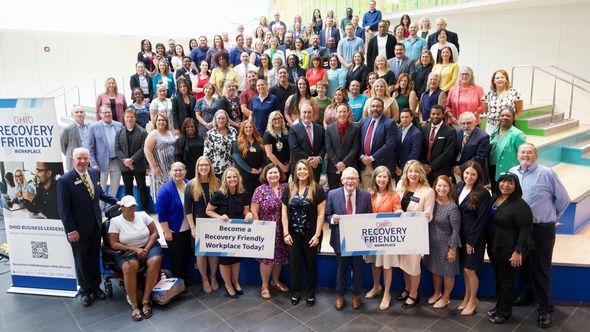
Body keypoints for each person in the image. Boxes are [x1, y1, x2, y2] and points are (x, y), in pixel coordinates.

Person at [510, 143, 570, 328]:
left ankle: (545, 309)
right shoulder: (513, 172)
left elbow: (563, 199)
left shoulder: (547, 173)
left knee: (541, 268)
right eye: (522, 152)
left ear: (536, 155)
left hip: (541, 228)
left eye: (529, 152)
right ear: (518, 155)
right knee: (524, 265)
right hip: (520, 229)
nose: (525, 155)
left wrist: (552, 217)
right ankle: (528, 295)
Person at [57, 147, 118, 307]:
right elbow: (64, 210)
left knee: (93, 257)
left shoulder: (94, 173)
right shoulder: (65, 180)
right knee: (81, 260)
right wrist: (70, 229)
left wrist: (116, 201)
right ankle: (85, 291)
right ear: (73, 160)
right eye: (79, 159)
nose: (83, 161)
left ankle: (96, 287)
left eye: (85, 158)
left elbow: (99, 193)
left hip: (95, 225)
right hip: (77, 229)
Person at [488, 172, 533, 324]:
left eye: (510, 183)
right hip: (495, 247)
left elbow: (525, 230)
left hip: (510, 249)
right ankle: (499, 306)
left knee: (507, 282)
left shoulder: (520, 205)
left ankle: (504, 312)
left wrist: (518, 251)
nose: (505, 185)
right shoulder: (494, 198)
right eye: (503, 182)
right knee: (499, 279)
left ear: (516, 186)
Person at [107, 195, 161, 321]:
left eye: (133, 206)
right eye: (128, 206)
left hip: (147, 246)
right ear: (122, 207)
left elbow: (155, 233)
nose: (132, 208)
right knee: (130, 266)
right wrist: (135, 250)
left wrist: (146, 249)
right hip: (127, 250)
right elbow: (114, 244)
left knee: (155, 260)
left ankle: (146, 299)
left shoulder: (142, 215)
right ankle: (134, 305)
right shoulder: (115, 222)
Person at [326, 167, 372, 310]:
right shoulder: (332, 194)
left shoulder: (365, 195)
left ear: (358, 181)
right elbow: (327, 215)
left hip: (358, 240)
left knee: (357, 268)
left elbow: (370, 215)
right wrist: (333, 219)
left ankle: (356, 294)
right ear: (342, 180)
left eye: (353, 178)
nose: (350, 181)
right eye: (347, 178)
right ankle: (340, 294)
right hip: (340, 238)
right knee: (341, 268)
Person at [282, 159, 326, 306]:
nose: (302, 172)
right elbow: (283, 212)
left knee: (311, 264)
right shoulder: (289, 188)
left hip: (310, 234)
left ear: (309, 171)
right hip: (293, 234)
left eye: (305, 169)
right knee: (295, 265)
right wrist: (286, 233)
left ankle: (310, 293)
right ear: (295, 172)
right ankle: (295, 292)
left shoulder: (317, 189)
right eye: (299, 169)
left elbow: (321, 214)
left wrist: (317, 234)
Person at [206, 167, 253, 298]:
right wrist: (219, 217)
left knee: (236, 259)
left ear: (238, 178)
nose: (232, 179)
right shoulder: (218, 194)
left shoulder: (244, 193)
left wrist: (249, 214)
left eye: (234, 177)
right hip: (223, 232)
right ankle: (228, 285)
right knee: (225, 260)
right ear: (225, 180)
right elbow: (208, 211)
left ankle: (236, 282)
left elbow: (246, 211)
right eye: (229, 177)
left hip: (237, 232)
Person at [396, 160, 435, 309]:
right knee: (404, 264)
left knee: (413, 265)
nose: (413, 174)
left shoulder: (427, 191)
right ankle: (407, 288)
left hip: (416, 233)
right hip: (400, 233)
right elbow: (394, 204)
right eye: (410, 171)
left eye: (416, 171)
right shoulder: (400, 186)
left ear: (421, 173)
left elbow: (429, 215)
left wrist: (424, 215)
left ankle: (414, 293)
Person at [456, 160, 492, 315]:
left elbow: (482, 219)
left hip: (474, 238)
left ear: (478, 176)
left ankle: (473, 301)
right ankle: (467, 297)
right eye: (467, 173)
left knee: (470, 269)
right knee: (465, 270)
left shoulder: (483, 193)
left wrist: (472, 241)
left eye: (473, 174)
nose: (469, 176)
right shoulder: (459, 187)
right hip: (461, 236)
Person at [251, 164, 290, 299]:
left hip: (282, 228)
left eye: (275, 172)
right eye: (270, 173)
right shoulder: (260, 190)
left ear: (280, 174)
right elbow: (254, 212)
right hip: (266, 228)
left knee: (279, 256)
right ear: (265, 175)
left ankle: (276, 281)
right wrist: (259, 229)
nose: (273, 175)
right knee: (266, 259)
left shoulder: (286, 188)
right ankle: (265, 285)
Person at [423, 175, 461, 309]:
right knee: (435, 269)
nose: (441, 188)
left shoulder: (452, 207)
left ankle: (446, 298)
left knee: (447, 272)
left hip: (446, 245)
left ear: (450, 188)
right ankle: (437, 293)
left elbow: (456, 231)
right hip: (432, 244)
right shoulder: (431, 203)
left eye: (445, 186)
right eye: (439, 185)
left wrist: (452, 250)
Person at [185, 156, 220, 294]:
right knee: (200, 254)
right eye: (201, 165)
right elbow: (187, 209)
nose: (204, 168)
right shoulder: (191, 185)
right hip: (199, 223)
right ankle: (204, 279)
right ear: (197, 168)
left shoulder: (216, 182)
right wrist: (192, 227)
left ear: (210, 166)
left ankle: (213, 277)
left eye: (206, 165)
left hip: (213, 223)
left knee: (213, 252)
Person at [369, 166, 402, 310]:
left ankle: (387, 294)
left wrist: (399, 211)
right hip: (373, 237)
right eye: (379, 176)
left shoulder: (394, 195)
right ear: (374, 178)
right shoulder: (369, 194)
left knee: (387, 265)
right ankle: (376, 287)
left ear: (389, 179)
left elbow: (397, 209)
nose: (381, 179)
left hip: (387, 237)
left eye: (384, 177)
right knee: (375, 263)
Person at [156, 162, 193, 281]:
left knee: (187, 254)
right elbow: (162, 214)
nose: (178, 173)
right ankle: (178, 282)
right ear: (171, 172)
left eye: (180, 170)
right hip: (174, 231)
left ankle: (184, 278)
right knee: (177, 258)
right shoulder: (165, 190)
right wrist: (166, 231)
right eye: (175, 170)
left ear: (185, 171)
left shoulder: (190, 184)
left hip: (189, 228)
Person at [359, 98, 397, 188]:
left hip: (381, 165)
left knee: (382, 194)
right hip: (365, 165)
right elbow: (359, 142)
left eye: (378, 106)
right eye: (373, 106)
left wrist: (372, 158)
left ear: (383, 108)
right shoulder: (364, 121)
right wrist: (362, 156)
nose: (375, 108)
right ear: (369, 108)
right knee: (368, 195)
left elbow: (389, 145)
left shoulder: (390, 123)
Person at [115, 108, 149, 211]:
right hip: (125, 166)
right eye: (127, 117)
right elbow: (117, 149)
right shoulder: (119, 132)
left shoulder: (143, 132)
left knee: (141, 188)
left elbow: (144, 148)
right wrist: (126, 161)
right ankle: (129, 210)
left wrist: (132, 160)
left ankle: (144, 210)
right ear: (124, 118)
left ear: (135, 118)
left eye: (131, 117)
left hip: (139, 165)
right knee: (128, 189)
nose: (129, 119)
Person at [88, 106, 123, 202]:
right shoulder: (93, 127)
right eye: (104, 113)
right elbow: (90, 147)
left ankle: (111, 209)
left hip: (116, 161)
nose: (107, 114)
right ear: (100, 114)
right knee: (100, 188)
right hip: (101, 164)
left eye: (109, 112)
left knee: (114, 187)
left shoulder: (119, 125)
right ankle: (100, 209)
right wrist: (93, 163)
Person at [488, 108, 526, 189]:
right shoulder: (495, 131)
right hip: (493, 167)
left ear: (513, 118)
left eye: (508, 116)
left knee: (505, 195)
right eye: (502, 115)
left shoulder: (517, 134)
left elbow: (524, 155)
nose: (504, 117)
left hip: (507, 169)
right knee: (495, 193)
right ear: (499, 117)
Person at [325, 104, 360, 189]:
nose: (342, 114)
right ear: (336, 114)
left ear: (348, 113)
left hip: (350, 166)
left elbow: (355, 148)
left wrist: (344, 163)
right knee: (334, 193)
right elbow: (329, 148)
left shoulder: (355, 128)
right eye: (340, 112)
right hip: (333, 167)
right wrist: (337, 163)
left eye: (344, 111)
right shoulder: (329, 128)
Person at [288, 104, 325, 182]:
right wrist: (309, 160)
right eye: (304, 112)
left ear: (313, 114)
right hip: (299, 169)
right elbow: (294, 147)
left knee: (314, 192)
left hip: (316, 168)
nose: (307, 115)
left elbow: (324, 146)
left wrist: (318, 158)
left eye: (309, 112)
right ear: (300, 115)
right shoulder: (293, 129)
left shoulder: (320, 128)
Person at [144, 113, 175, 204]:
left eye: (163, 120)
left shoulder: (169, 132)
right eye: (159, 120)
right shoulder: (153, 134)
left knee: (170, 193)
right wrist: (154, 167)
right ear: (155, 122)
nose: (161, 122)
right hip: (159, 169)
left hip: (170, 168)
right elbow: (147, 151)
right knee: (161, 194)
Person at [421, 105, 456, 184]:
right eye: (433, 114)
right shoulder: (424, 128)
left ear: (443, 115)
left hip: (441, 170)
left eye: (438, 114)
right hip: (425, 169)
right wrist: (424, 164)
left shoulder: (450, 131)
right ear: (430, 115)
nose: (435, 116)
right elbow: (422, 148)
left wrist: (431, 166)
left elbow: (448, 153)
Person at [482, 69, 523, 134]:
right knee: (490, 143)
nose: (500, 79)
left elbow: (519, 110)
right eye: (497, 78)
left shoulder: (514, 92)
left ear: (506, 80)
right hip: (491, 126)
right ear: (494, 81)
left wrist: (509, 120)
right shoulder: (489, 94)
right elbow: (486, 111)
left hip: (507, 125)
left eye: (502, 77)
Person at [453, 112, 489, 183]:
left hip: (472, 170)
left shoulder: (483, 137)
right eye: (463, 123)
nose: (466, 126)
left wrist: (461, 168)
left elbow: (479, 158)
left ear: (475, 123)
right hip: (455, 168)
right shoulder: (457, 133)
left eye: (469, 123)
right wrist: (453, 166)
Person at [232, 120, 265, 196]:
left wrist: (261, 167)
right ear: (243, 129)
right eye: (246, 127)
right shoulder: (237, 143)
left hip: (258, 175)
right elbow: (238, 159)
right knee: (246, 196)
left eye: (250, 127)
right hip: (244, 175)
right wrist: (250, 170)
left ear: (253, 128)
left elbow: (264, 157)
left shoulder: (260, 141)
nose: (248, 129)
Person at [204, 110, 238, 177]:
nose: (221, 120)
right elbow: (207, 153)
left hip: (232, 167)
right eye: (219, 118)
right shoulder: (210, 133)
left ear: (227, 119)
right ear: (215, 120)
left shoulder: (233, 131)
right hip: (216, 168)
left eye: (223, 118)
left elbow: (237, 148)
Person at [396, 108, 423, 178]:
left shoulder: (416, 133)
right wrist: (395, 166)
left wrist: (404, 168)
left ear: (412, 118)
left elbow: (415, 153)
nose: (404, 119)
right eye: (402, 117)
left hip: (409, 169)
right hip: (397, 169)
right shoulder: (398, 131)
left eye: (407, 117)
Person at [60, 106, 89, 171]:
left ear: (85, 114)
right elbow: (62, 145)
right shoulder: (67, 129)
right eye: (76, 112)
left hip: (88, 160)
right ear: (72, 115)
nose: (79, 114)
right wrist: (70, 153)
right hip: (75, 161)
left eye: (81, 112)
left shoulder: (90, 127)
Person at [263, 111, 290, 175]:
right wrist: (281, 167)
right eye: (274, 119)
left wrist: (289, 163)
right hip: (274, 166)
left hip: (286, 164)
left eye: (279, 118)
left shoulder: (286, 130)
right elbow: (269, 154)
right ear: (271, 121)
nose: (277, 120)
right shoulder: (268, 134)